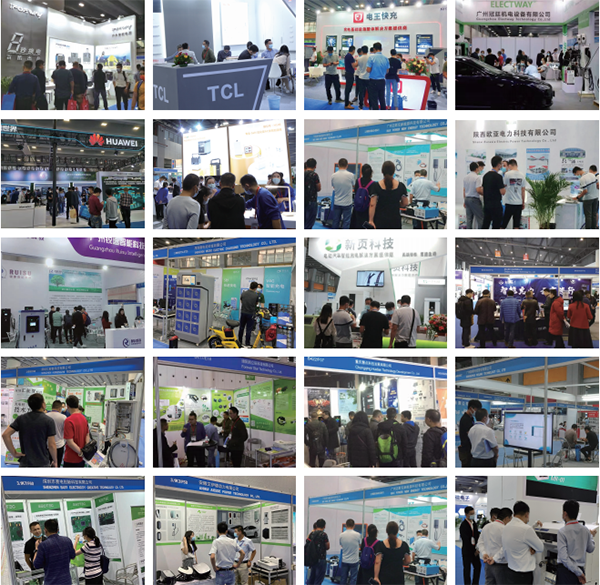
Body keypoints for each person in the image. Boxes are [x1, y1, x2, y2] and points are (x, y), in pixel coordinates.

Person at [2, 393, 57, 467]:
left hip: (25, 461)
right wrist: (55, 460)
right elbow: (52, 444)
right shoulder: (49, 421)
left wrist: (14, 453)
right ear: (43, 405)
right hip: (42, 462)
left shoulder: (21, 418)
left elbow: (5, 435)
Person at [502, 501, 544, 585]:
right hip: (523, 575)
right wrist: (533, 547)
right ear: (527, 514)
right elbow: (541, 548)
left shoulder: (506, 527)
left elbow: (519, 538)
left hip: (510, 571)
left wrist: (534, 526)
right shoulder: (526, 529)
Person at [557, 499, 596, 585]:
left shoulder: (562, 531)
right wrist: (591, 536)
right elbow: (591, 549)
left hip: (566, 572)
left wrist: (578, 572)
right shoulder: (585, 530)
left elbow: (564, 558)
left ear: (565, 514)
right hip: (580, 571)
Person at [33, 518, 76, 584]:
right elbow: (73, 556)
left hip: (51, 582)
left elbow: (36, 565)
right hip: (66, 581)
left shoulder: (43, 545)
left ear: (45, 530)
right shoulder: (67, 540)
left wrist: (36, 549)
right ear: (57, 530)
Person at [369, 160, 408, 229]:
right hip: (395, 220)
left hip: (380, 219)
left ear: (382, 171)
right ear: (394, 172)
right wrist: (396, 204)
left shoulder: (376, 186)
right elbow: (405, 203)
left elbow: (372, 204)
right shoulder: (401, 186)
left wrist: (371, 220)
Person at [478, 507, 513, 585]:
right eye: (510, 519)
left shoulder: (486, 526)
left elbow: (480, 542)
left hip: (488, 563)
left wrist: (484, 553)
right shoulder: (505, 529)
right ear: (507, 518)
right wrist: (494, 558)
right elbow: (505, 547)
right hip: (501, 564)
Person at [63, 395, 90, 468]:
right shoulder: (84, 418)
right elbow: (87, 435)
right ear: (78, 405)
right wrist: (84, 451)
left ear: (67, 406)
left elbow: (70, 442)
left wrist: (80, 452)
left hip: (71, 458)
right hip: (82, 458)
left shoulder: (68, 420)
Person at [479, 156, 506, 229]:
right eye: (501, 164)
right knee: (496, 225)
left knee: (486, 224)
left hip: (487, 204)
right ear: (498, 165)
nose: (502, 166)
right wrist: (504, 187)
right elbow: (503, 192)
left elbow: (483, 189)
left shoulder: (485, 176)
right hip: (496, 205)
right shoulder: (498, 177)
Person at [330, 158, 355, 229]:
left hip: (337, 202)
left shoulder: (333, 175)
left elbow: (333, 186)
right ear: (347, 166)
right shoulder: (351, 175)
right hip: (347, 203)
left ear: (338, 165)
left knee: (336, 221)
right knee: (346, 222)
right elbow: (354, 185)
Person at [460, 506, 482, 585]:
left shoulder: (474, 523)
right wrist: (473, 551)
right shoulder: (463, 525)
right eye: (471, 514)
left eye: (473, 513)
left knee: (478, 567)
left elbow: (477, 536)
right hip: (467, 551)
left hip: (475, 550)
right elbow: (466, 540)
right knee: (467, 569)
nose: (473, 515)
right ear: (466, 514)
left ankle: (475, 583)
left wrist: (477, 549)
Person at [574, 165, 599, 229]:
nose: (577, 175)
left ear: (577, 171)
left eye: (576, 174)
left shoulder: (582, 179)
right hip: (595, 197)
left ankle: (587, 229)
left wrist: (577, 197)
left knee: (588, 215)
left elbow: (585, 191)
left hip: (588, 199)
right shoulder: (592, 175)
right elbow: (598, 185)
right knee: (594, 214)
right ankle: (593, 228)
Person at [459, 399, 482, 468]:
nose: (477, 412)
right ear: (470, 408)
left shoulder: (471, 418)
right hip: (466, 450)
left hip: (470, 449)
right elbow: (471, 434)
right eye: (476, 410)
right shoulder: (465, 419)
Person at [306, 519, 330, 585]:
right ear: (324, 526)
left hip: (312, 559)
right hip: (321, 559)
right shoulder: (324, 535)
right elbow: (327, 547)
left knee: (312, 577)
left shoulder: (311, 534)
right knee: (319, 578)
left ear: (316, 525)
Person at [339, 519, 363, 585]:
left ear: (346, 525)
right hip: (354, 560)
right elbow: (360, 544)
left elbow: (341, 544)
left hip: (344, 559)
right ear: (354, 526)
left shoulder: (341, 535)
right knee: (353, 578)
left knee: (343, 578)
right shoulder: (358, 535)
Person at [366, 42, 388, 110]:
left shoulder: (371, 58)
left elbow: (368, 70)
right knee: (382, 98)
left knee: (374, 99)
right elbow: (387, 70)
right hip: (382, 80)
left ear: (374, 49)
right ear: (381, 49)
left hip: (373, 81)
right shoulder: (386, 58)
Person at [238, 281, 259, 347]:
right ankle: (247, 343)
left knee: (241, 328)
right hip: (251, 314)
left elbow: (241, 301)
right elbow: (256, 304)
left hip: (243, 312)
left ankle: (239, 342)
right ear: (255, 288)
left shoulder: (243, 293)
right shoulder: (256, 295)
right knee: (248, 329)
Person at [46, 400, 66, 467]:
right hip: (59, 445)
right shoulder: (63, 417)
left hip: (47, 445)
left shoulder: (45, 416)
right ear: (60, 408)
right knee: (57, 465)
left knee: (47, 465)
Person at [304, 158, 321, 229]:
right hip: (311, 200)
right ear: (315, 166)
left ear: (306, 165)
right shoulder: (314, 175)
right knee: (310, 221)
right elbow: (318, 188)